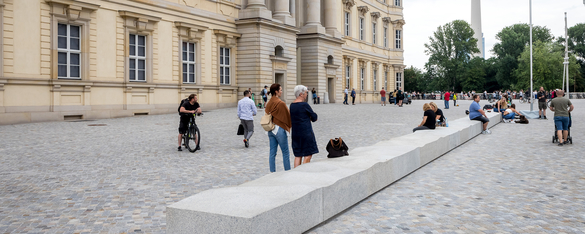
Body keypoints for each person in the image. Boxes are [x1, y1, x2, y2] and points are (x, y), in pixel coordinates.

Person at [290, 85, 319, 168]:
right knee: (308, 154)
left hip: (295, 133)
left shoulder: (292, 105)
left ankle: (295, 174)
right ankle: (304, 172)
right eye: (306, 92)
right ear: (301, 94)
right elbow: (314, 117)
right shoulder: (304, 105)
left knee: (298, 155)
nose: (306, 94)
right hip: (305, 133)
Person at [265, 84, 292, 172]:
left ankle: (272, 172)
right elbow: (287, 116)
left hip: (270, 129)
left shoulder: (269, 103)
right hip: (279, 129)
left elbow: (267, 113)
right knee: (285, 152)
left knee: (272, 152)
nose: (281, 91)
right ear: (276, 91)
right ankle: (288, 172)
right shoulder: (281, 103)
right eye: (280, 90)